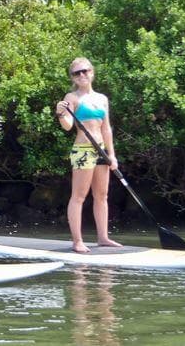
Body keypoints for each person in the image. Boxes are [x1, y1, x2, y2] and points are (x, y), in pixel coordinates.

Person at [56, 57, 122, 253]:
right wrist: (60, 113)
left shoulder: (102, 99)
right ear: (73, 78)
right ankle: (77, 241)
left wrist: (112, 155)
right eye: (77, 73)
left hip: (101, 150)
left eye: (84, 71)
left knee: (102, 195)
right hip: (83, 150)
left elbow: (107, 128)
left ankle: (103, 237)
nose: (82, 75)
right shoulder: (71, 98)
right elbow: (68, 126)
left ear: (92, 72)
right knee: (79, 196)